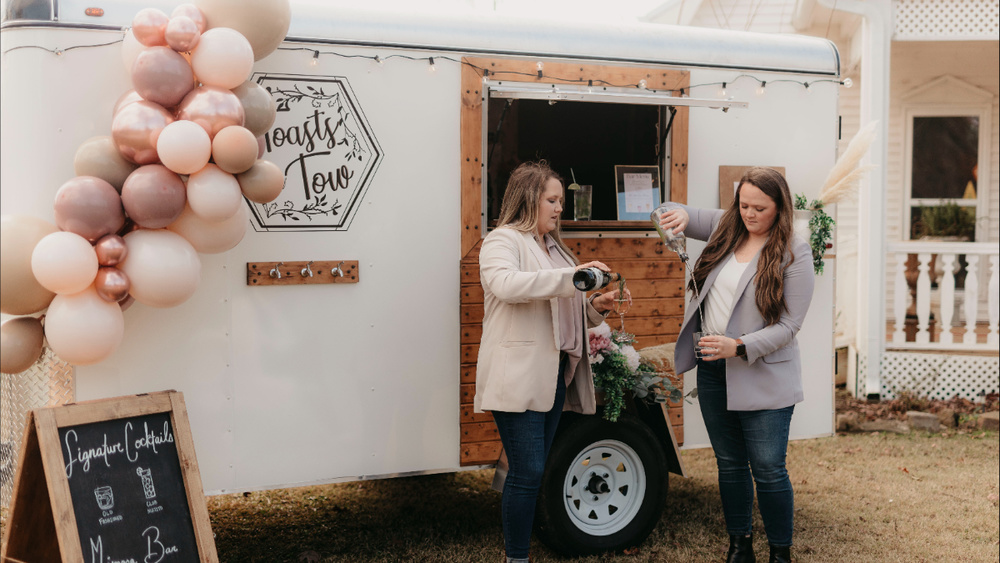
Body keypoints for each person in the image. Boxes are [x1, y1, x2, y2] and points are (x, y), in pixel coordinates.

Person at [658, 167, 815, 563]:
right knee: (729, 464)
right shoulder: (726, 226)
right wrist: (676, 214)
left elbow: (790, 326)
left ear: (779, 208)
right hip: (713, 369)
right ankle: (739, 548)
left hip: (763, 372)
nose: (749, 214)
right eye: (744, 205)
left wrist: (740, 346)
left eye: (759, 208)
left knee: (768, 468)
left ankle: (780, 553)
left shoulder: (795, 251)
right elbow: (670, 209)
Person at [475, 160, 628, 563]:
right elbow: (505, 285)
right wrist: (572, 276)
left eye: (561, 200)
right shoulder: (502, 240)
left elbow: (562, 313)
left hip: (555, 374)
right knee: (526, 471)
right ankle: (516, 558)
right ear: (529, 198)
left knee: (532, 470)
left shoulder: (556, 248)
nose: (560, 208)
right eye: (552, 200)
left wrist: (595, 307)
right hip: (518, 375)